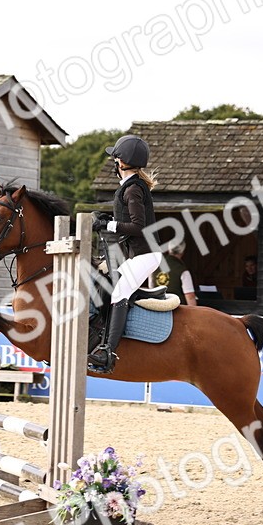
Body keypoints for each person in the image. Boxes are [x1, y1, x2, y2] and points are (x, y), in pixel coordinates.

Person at [87, 135, 162, 374]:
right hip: (138, 254)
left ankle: (108, 351)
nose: (113, 162)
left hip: (146, 254)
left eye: (115, 158)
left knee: (119, 293)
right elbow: (126, 222)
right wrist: (108, 220)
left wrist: (108, 226)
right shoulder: (130, 188)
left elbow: (138, 226)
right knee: (108, 285)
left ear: (121, 162)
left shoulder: (132, 190)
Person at [156, 241, 197, 306]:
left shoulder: (155, 266)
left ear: (169, 250)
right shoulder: (183, 271)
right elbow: (190, 297)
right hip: (176, 311)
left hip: (156, 308)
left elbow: (151, 289)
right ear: (182, 252)